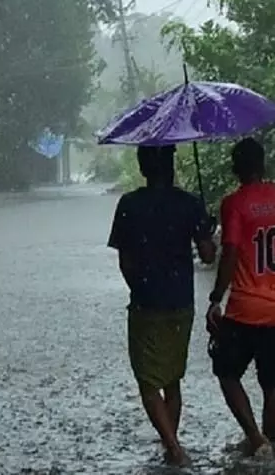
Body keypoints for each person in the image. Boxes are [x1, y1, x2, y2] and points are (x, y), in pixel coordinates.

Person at [107, 145, 216, 467]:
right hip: (181, 301)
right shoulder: (190, 204)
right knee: (171, 379)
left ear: (142, 168)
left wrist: (140, 288)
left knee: (148, 382)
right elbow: (208, 256)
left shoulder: (129, 205)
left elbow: (125, 261)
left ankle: (173, 447)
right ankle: (171, 445)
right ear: (171, 166)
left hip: (146, 302)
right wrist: (208, 230)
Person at [205, 137, 275, 458]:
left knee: (226, 373)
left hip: (244, 309)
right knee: (273, 384)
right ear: (263, 165)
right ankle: (271, 445)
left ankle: (255, 438)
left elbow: (230, 253)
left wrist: (216, 297)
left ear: (236, 168)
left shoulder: (234, 203)